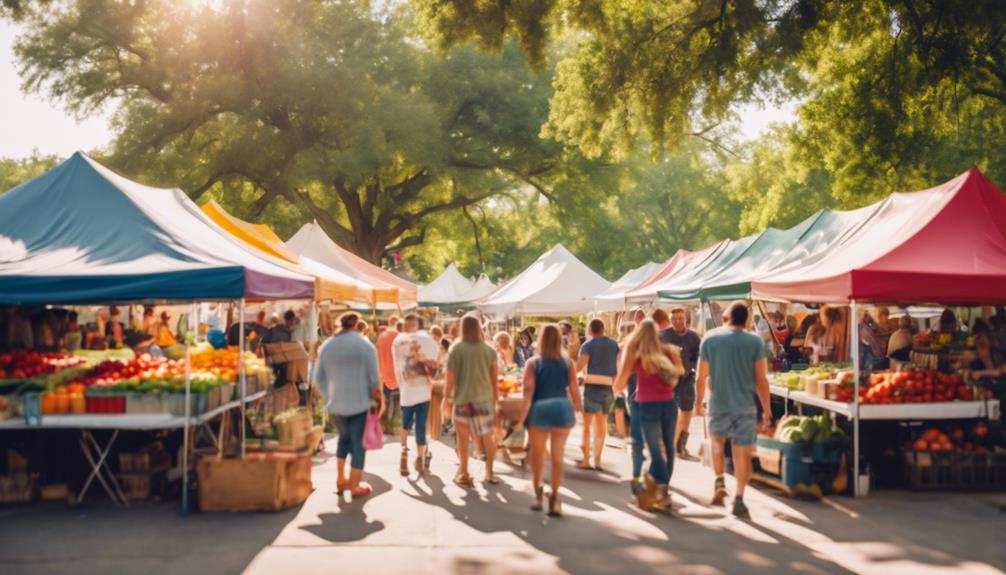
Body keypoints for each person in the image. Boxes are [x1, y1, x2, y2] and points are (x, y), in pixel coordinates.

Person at [695, 303, 772, 519]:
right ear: (746, 319)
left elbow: (701, 377)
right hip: (745, 406)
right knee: (742, 452)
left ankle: (719, 480)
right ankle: (739, 498)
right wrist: (766, 409)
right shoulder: (754, 341)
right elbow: (761, 379)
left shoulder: (710, 339)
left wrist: (698, 401)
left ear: (727, 317)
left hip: (718, 404)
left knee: (717, 443)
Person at [614, 319, 683, 511]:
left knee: (653, 448)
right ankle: (663, 490)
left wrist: (614, 392)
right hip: (669, 404)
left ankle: (658, 483)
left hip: (647, 405)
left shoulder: (637, 354)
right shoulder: (669, 350)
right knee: (669, 447)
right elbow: (676, 378)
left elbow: (622, 379)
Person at [313, 312, 383, 498]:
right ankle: (354, 485)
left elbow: (318, 378)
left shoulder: (327, 345)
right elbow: (374, 379)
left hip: (336, 403)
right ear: (355, 325)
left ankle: (340, 479)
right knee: (358, 444)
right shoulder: (364, 345)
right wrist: (377, 400)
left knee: (343, 439)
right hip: (360, 403)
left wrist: (329, 395)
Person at [517, 323, 582, 516]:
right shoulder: (567, 362)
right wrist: (578, 409)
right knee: (557, 456)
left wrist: (521, 419)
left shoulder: (533, 363)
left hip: (540, 408)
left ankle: (538, 492)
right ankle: (554, 495)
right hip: (562, 408)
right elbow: (574, 388)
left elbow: (528, 392)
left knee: (537, 455)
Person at [444, 313, 499, 487]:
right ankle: (490, 473)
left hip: (462, 401)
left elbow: (450, 378)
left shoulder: (456, 348)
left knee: (462, 438)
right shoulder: (489, 350)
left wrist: (446, 399)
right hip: (484, 401)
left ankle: (465, 472)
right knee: (488, 438)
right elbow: (494, 381)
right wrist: (496, 403)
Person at [392, 314, 440, 476]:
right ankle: (419, 457)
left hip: (406, 391)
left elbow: (396, 367)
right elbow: (436, 358)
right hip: (423, 392)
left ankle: (404, 453)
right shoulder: (424, 339)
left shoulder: (397, 341)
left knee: (405, 424)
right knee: (420, 425)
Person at [576, 318, 619, 471]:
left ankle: (586, 460)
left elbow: (580, 366)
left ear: (590, 330)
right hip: (608, 387)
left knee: (587, 425)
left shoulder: (587, 345)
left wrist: (576, 375)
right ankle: (598, 460)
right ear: (603, 328)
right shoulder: (614, 344)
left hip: (592, 386)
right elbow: (618, 365)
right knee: (601, 426)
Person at [660, 307, 702, 460]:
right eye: (674, 319)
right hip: (668, 380)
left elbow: (699, 356)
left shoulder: (693, 337)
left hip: (687, 379)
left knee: (686, 410)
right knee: (670, 411)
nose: (677, 321)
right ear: (670, 321)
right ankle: (668, 441)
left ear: (686, 320)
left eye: (680, 318)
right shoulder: (663, 336)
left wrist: (694, 369)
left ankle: (681, 445)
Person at [377, 315, 401, 433]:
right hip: (397, 375)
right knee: (396, 402)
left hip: (383, 374)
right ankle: (392, 424)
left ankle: (384, 425)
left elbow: (378, 355)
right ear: (396, 323)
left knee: (385, 401)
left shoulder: (381, 336)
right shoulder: (399, 336)